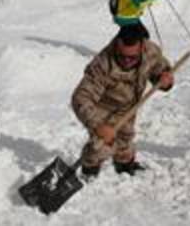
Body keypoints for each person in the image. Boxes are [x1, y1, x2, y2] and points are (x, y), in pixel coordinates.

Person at [71, 24, 175, 177]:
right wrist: (98, 126)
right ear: (117, 46)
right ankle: (89, 172)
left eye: (132, 57)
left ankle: (125, 167)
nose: (127, 61)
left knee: (125, 139)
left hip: (128, 106)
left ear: (142, 47)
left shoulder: (151, 51)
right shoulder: (102, 64)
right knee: (100, 146)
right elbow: (80, 98)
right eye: (122, 56)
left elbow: (160, 68)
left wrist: (164, 79)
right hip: (102, 109)